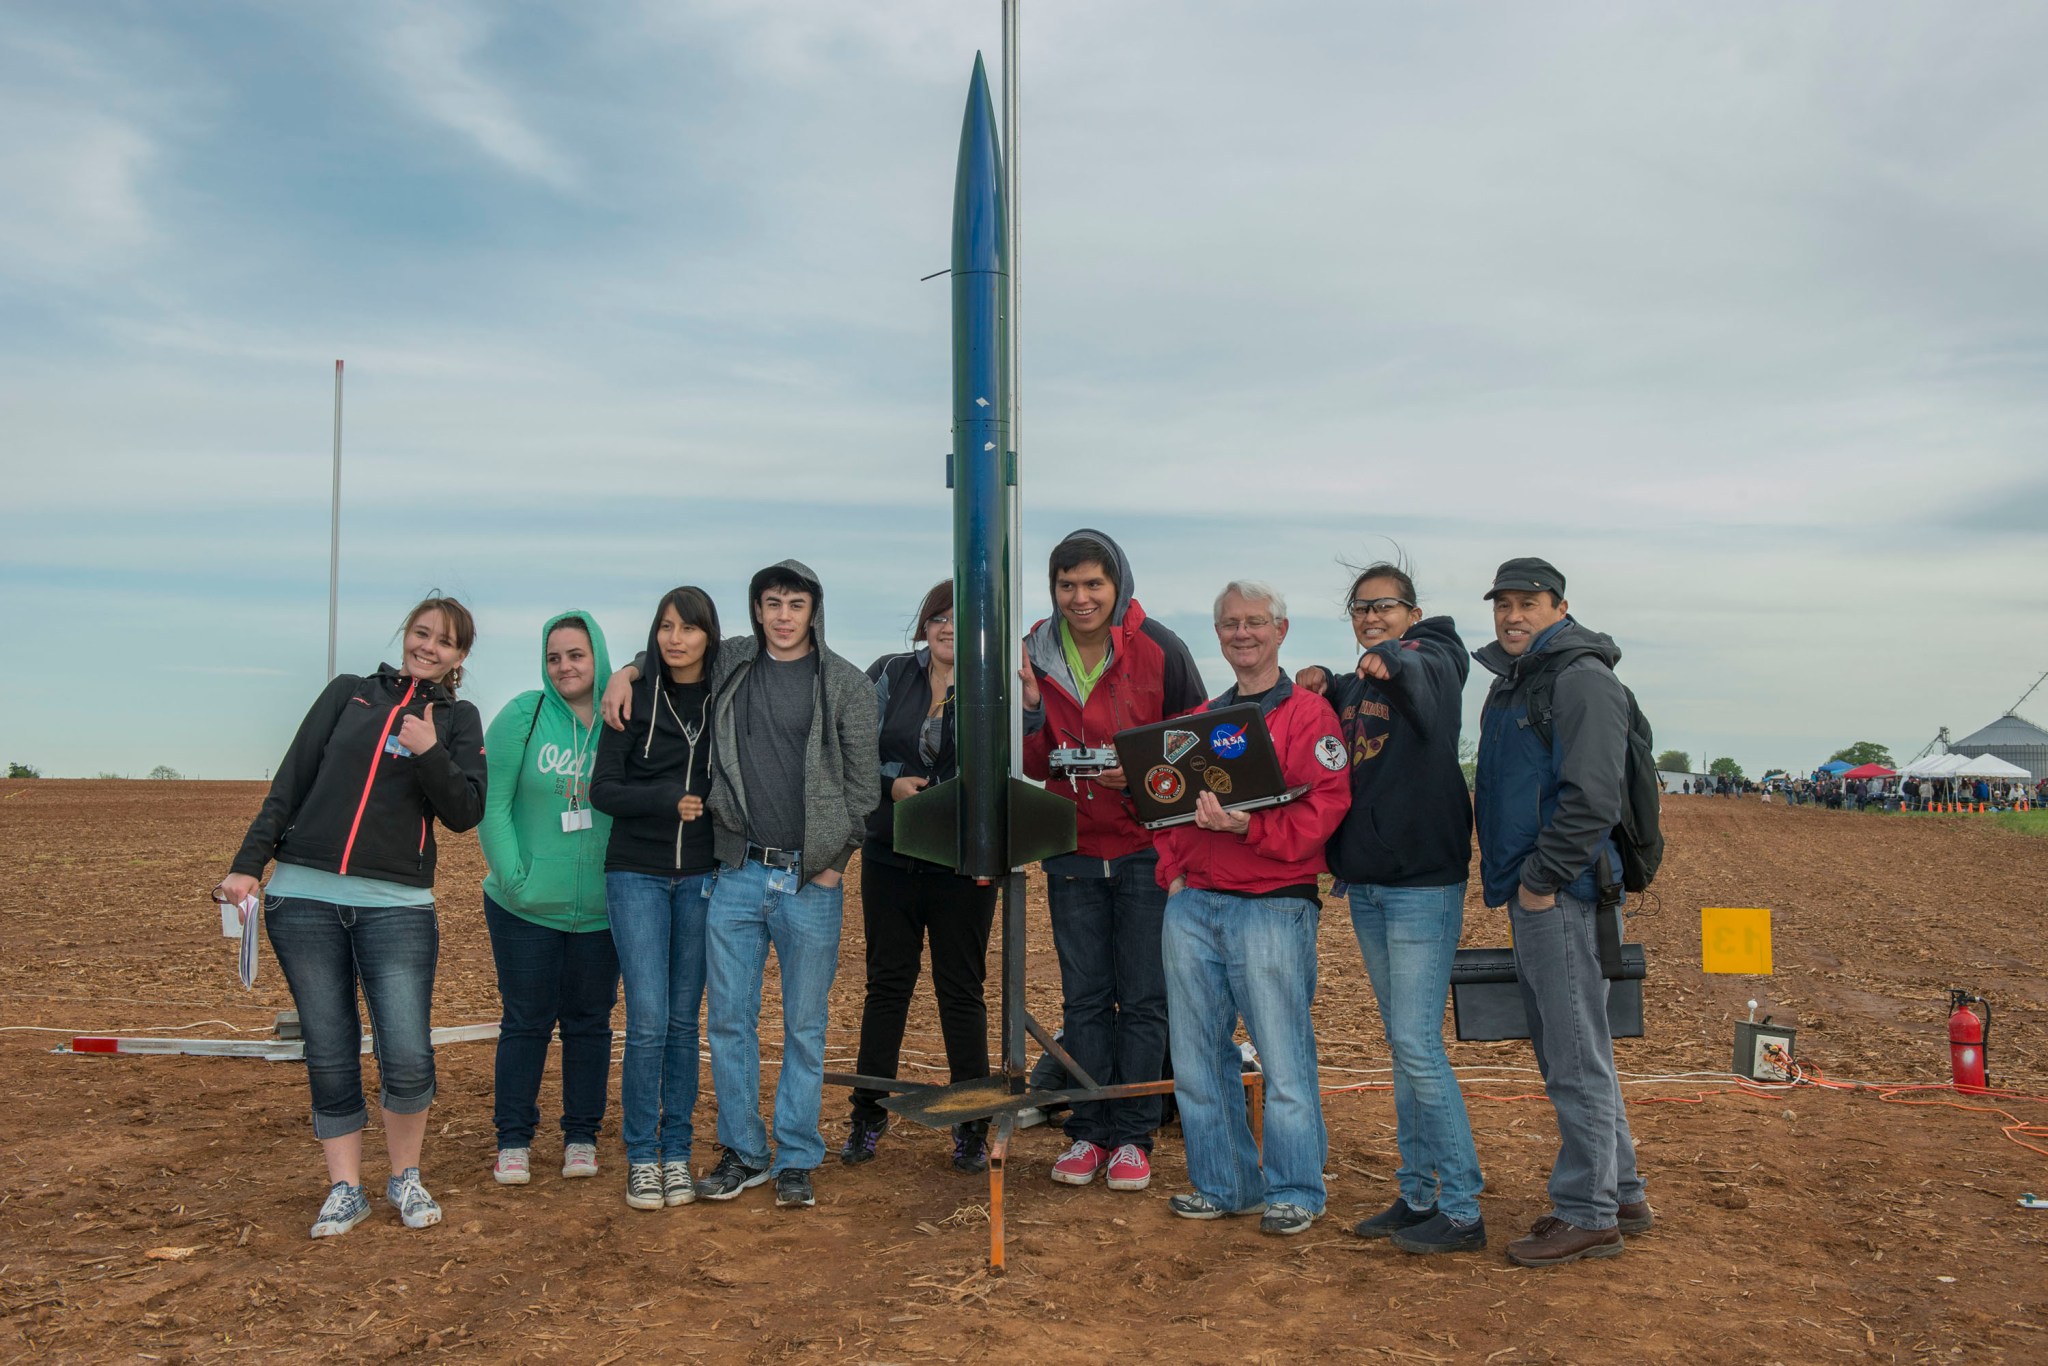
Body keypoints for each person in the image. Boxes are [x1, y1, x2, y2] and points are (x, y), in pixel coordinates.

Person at [601, 560, 878, 1210]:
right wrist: (626, 672)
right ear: (756, 610)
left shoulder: (845, 685)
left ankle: (797, 1156)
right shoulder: (732, 662)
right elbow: (673, 653)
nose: (783, 616)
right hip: (736, 872)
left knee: (804, 1026)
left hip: (812, 879)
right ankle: (745, 1152)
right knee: (728, 1020)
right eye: (772, 603)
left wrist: (834, 860)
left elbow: (865, 789)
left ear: (814, 611)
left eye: (796, 604)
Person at [215, 596, 486, 1239]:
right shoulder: (349, 694)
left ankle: (405, 1177)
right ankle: (346, 1188)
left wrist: (427, 749)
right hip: (304, 898)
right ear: (405, 635)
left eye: (445, 642)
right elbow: (292, 781)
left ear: (460, 657)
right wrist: (248, 863)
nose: (429, 647)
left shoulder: (459, 718)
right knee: (330, 1049)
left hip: (397, 907)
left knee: (409, 1052)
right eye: (421, 633)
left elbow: (465, 811)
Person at [1296, 561, 1485, 1254]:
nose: (1371, 617)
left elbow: (1421, 672)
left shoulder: (1435, 655)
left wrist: (1389, 659)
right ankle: (1417, 1194)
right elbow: (1348, 696)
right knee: (1406, 1046)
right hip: (1369, 885)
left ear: (1410, 611)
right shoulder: (1360, 680)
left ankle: (1463, 1208)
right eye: (1360, 609)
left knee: (1415, 1045)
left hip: (1421, 886)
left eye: (1385, 606)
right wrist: (1322, 674)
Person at [1471, 558, 1651, 1268]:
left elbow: (1593, 797)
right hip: (1541, 892)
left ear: (1560, 606)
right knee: (1576, 1050)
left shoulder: (1580, 680)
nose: (1513, 615)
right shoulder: (1522, 680)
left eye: (1529, 603)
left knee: (1575, 1056)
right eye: (1504, 604)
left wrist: (1541, 881)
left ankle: (1588, 1213)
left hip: (1566, 895)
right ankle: (1623, 1193)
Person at [1156, 581, 1350, 1235]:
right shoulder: (1204, 721)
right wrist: (1175, 875)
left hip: (1273, 907)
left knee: (1282, 1054)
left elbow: (1327, 807)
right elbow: (1172, 810)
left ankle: (1295, 1188)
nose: (1243, 633)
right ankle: (1224, 1183)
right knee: (1198, 1055)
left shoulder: (1311, 717)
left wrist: (1251, 831)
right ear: (1219, 635)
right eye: (1231, 624)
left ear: (1281, 631)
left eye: (1255, 623)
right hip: (1197, 907)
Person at [1019, 529, 1205, 1193]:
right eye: (1067, 585)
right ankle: (1088, 1133)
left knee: (1146, 996)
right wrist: (1033, 713)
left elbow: (1196, 745)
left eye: (1093, 584)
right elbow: (1033, 764)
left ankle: (1134, 1136)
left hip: (1144, 852)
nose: (1080, 597)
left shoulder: (1159, 647)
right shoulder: (1034, 652)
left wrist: (1142, 775)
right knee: (1086, 996)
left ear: (1117, 583)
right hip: (1072, 850)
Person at [842, 580, 999, 1174]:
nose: (948, 628)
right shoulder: (889, 673)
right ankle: (867, 1115)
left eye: (962, 620)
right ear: (924, 622)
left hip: (960, 864)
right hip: (891, 856)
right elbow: (851, 744)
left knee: (961, 992)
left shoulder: (990, 686)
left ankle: (971, 1126)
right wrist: (891, 787)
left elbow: (1001, 761)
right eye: (939, 616)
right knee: (887, 985)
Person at [589, 588, 723, 1211]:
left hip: (701, 878)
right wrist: (665, 797)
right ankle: (642, 1156)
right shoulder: (631, 698)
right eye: (665, 627)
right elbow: (604, 791)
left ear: (708, 636)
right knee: (646, 1021)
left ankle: (678, 1152)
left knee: (681, 1021)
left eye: (689, 628)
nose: (675, 639)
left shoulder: (727, 693)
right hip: (635, 875)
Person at [476, 611, 619, 1192]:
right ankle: (513, 1140)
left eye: (577, 655)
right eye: (555, 656)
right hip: (524, 907)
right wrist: (515, 878)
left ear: (598, 656)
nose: (565, 666)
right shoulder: (523, 715)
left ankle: (581, 1135)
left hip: (605, 911)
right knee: (526, 1021)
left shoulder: (622, 718)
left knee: (590, 1024)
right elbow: (492, 806)